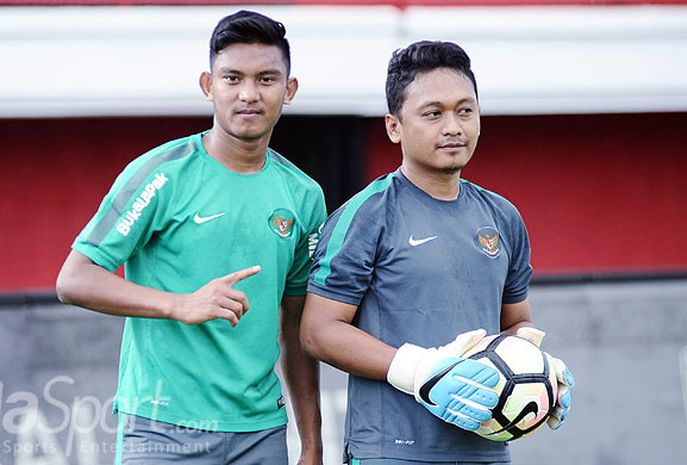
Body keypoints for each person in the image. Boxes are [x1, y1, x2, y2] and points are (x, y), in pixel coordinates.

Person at [56, 10, 325, 465]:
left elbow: (296, 326)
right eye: (232, 78)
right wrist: (180, 304)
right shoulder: (163, 175)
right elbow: (75, 279)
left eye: (266, 79)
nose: (248, 94)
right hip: (163, 429)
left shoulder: (303, 195)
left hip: (260, 433)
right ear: (208, 85)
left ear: (289, 89)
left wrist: (312, 443)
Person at [300, 41, 574, 464]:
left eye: (465, 110)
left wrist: (539, 371)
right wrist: (420, 371)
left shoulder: (503, 217)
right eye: (433, 113)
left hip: (485, 449)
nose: (453, 127)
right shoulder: (366, 214)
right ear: (395, 126)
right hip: (390, 452)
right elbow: (318, 332)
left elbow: (516, 322)